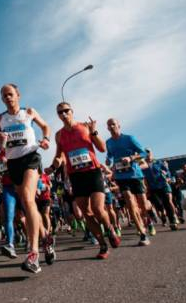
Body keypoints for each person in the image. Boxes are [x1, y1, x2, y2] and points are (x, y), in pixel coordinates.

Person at [0, 84, 50, 273]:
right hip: (13, 163)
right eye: (4, 96)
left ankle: (34, 254)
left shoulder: (29, 112)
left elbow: (45, 126)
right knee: (26, 203)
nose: (7, 98)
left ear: (18, 95)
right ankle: (45, 237)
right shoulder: (0, 118)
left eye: (10, 94)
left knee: (27, 198)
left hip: (30, 157)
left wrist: (46, 139)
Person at [49, 102, 120, 259]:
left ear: (72, 111)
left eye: (66, 110)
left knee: (97, 208)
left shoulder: (85, 127)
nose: (63, 114)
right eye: (60, 112)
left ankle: (110, 228)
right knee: (86, 213)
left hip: (92, 172)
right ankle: (102, 245)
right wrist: (51, 168)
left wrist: (94, 132)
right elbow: (59, 156)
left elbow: (102, 148)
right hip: (76, 176)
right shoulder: (59, 135)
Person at [105, 118, 152, 244]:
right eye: (109, 125)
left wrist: (131, 158)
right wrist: (108, 160)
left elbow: (143, 153)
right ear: (107, 128)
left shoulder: (129, 138)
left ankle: (148, 218)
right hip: (121, 176)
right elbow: (109, 154)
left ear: (118, 125)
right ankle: (142, 234)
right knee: (130, 203)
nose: (111, 127)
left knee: (143, 205)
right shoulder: (108, 142)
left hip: (135, 174)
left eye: (113, 124)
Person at [142, 150, 179, 231]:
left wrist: (168, 177)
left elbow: (167, 171)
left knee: (167, 202)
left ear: (152, 154)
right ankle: (162, 214)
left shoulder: (158, 162)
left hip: (163, 185)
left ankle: (172, 221)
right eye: (146, 153)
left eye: (149, 153)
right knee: (158, 204)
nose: (148, 154)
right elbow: (142, 176)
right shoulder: (143, 164)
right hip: (152, 188)